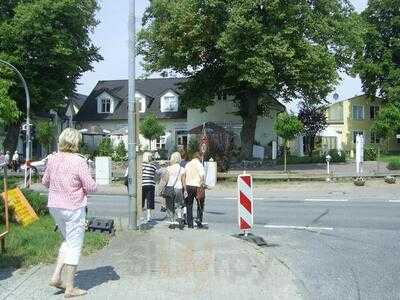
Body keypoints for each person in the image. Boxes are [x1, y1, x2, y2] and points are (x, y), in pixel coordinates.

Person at [42, 128, 96, 298]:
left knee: (68, 241)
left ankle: (56, 276)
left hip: (55, 207)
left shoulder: (52, 159)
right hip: (73, 207)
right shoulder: (79, 161)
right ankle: (70, 288)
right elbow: (91, 187)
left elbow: (45, 182)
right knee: (75, 245)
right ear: (76, 142)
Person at [164, 152, 186, 229]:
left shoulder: (168, 168)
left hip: (169, 188)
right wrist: (185, 190)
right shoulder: (182, 169)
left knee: (170, 206)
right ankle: (179, 218)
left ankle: (172, 222)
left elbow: (165, 180)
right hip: (179, 188)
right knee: (178, 205)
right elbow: (183, 181)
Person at [184, 152, 206, 228]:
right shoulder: (199, 165)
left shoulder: (188, 164)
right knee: (200, 204)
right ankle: (199, 221)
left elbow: (184, 175)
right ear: (199, 157)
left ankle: (190, 224)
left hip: (188, 185)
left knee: (189, 205)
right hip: (197, 186)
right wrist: (203, 184)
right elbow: (202, 176)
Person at [142, 152, 160, 222]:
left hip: (142, 184)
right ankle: (149, 216)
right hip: (151, 184)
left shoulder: (141, 165)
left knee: (141, 200)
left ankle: (141, 216)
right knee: (150, 200)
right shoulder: (153, 165)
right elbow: (157, 174)